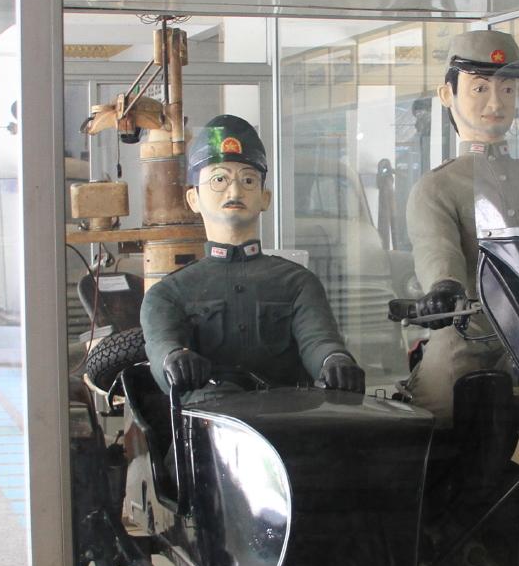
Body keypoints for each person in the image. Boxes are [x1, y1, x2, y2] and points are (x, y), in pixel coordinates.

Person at [404, 29, 519, 421]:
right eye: (479, 88)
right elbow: (436, 249)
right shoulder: (436, 187)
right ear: (447, 94)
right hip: (468, 335)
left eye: (507, 90)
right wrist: (444, 286)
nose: (495, 102)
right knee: (442, 413)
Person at [140, 114, 364, 403]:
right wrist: (174, 359)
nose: (235, 191)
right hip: (210, 420)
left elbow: (318, 340)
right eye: (219, 179)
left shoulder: (297, 283)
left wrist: (335, 361)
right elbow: (162, 347)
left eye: (248, 180)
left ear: (265, 198)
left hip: (287, 418)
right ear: (192, 199)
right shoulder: (167, 294)